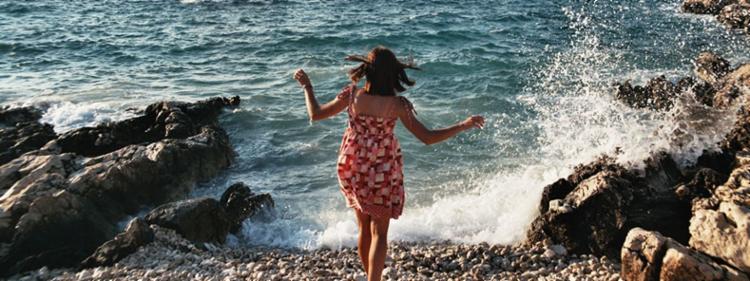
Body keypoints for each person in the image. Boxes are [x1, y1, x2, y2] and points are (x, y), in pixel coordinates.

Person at [293, 46, 484, 281]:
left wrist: (308, 87)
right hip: (383, 170)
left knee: (364, 227)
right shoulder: (398, 105)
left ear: (368, 71)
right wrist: (462, 125)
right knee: (380, 234)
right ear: (393, 74)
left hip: (353, 167)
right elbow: (427, 137)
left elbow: (316, 114)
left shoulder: (352, 95)